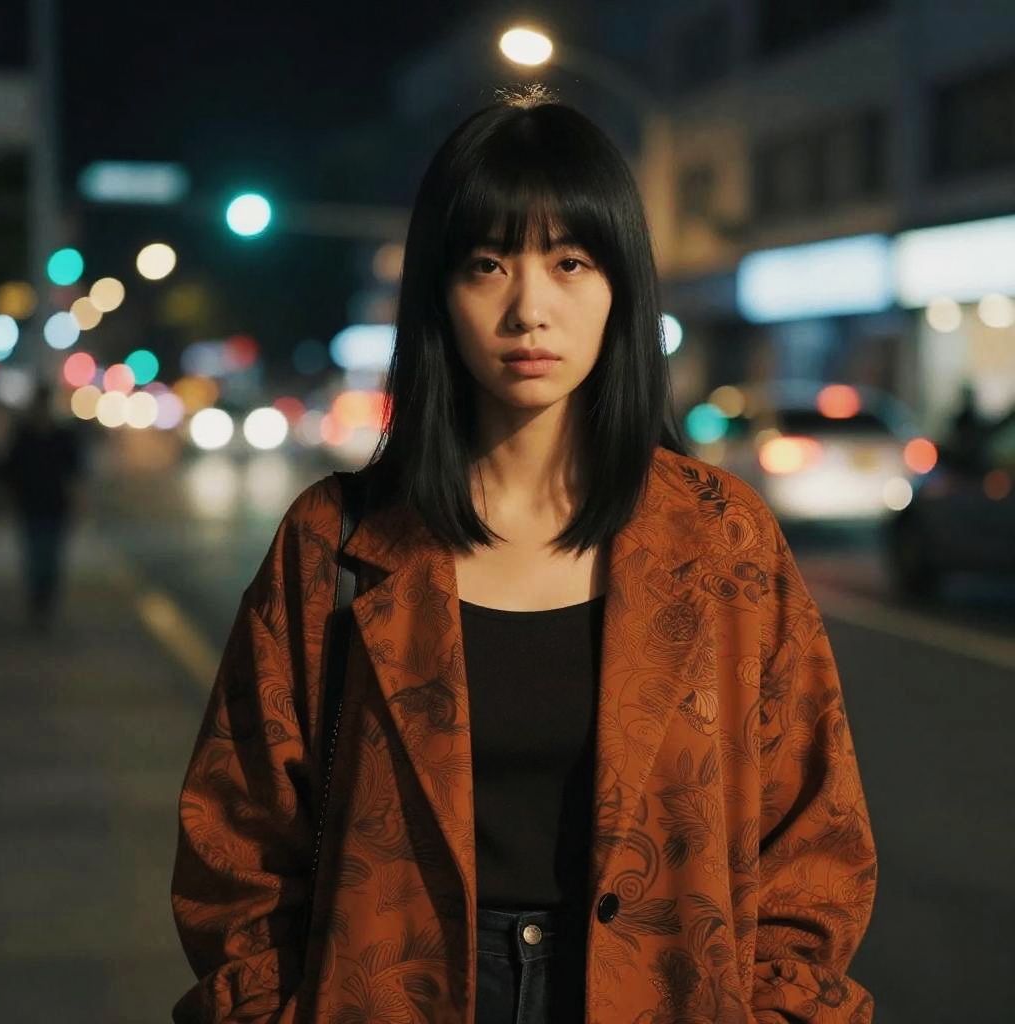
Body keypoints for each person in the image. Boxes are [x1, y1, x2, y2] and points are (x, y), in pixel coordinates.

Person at [171, 89, 876, 1024]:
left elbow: (815, 838)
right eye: (487, 264)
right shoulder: (337, 543)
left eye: (571, 261)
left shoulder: (718, 538)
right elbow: (236, 841)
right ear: (440, 293)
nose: (528, 309)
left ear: (621, 285)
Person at [1, 380, 85, 630]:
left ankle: (45, 604)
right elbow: (10, 470)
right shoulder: (23, 435)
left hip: (56, 508)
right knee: (36, 558)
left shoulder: (62, 436)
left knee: (51, 559)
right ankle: (37, 604)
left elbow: (75, 472)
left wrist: (79, 501)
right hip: (30, 508)